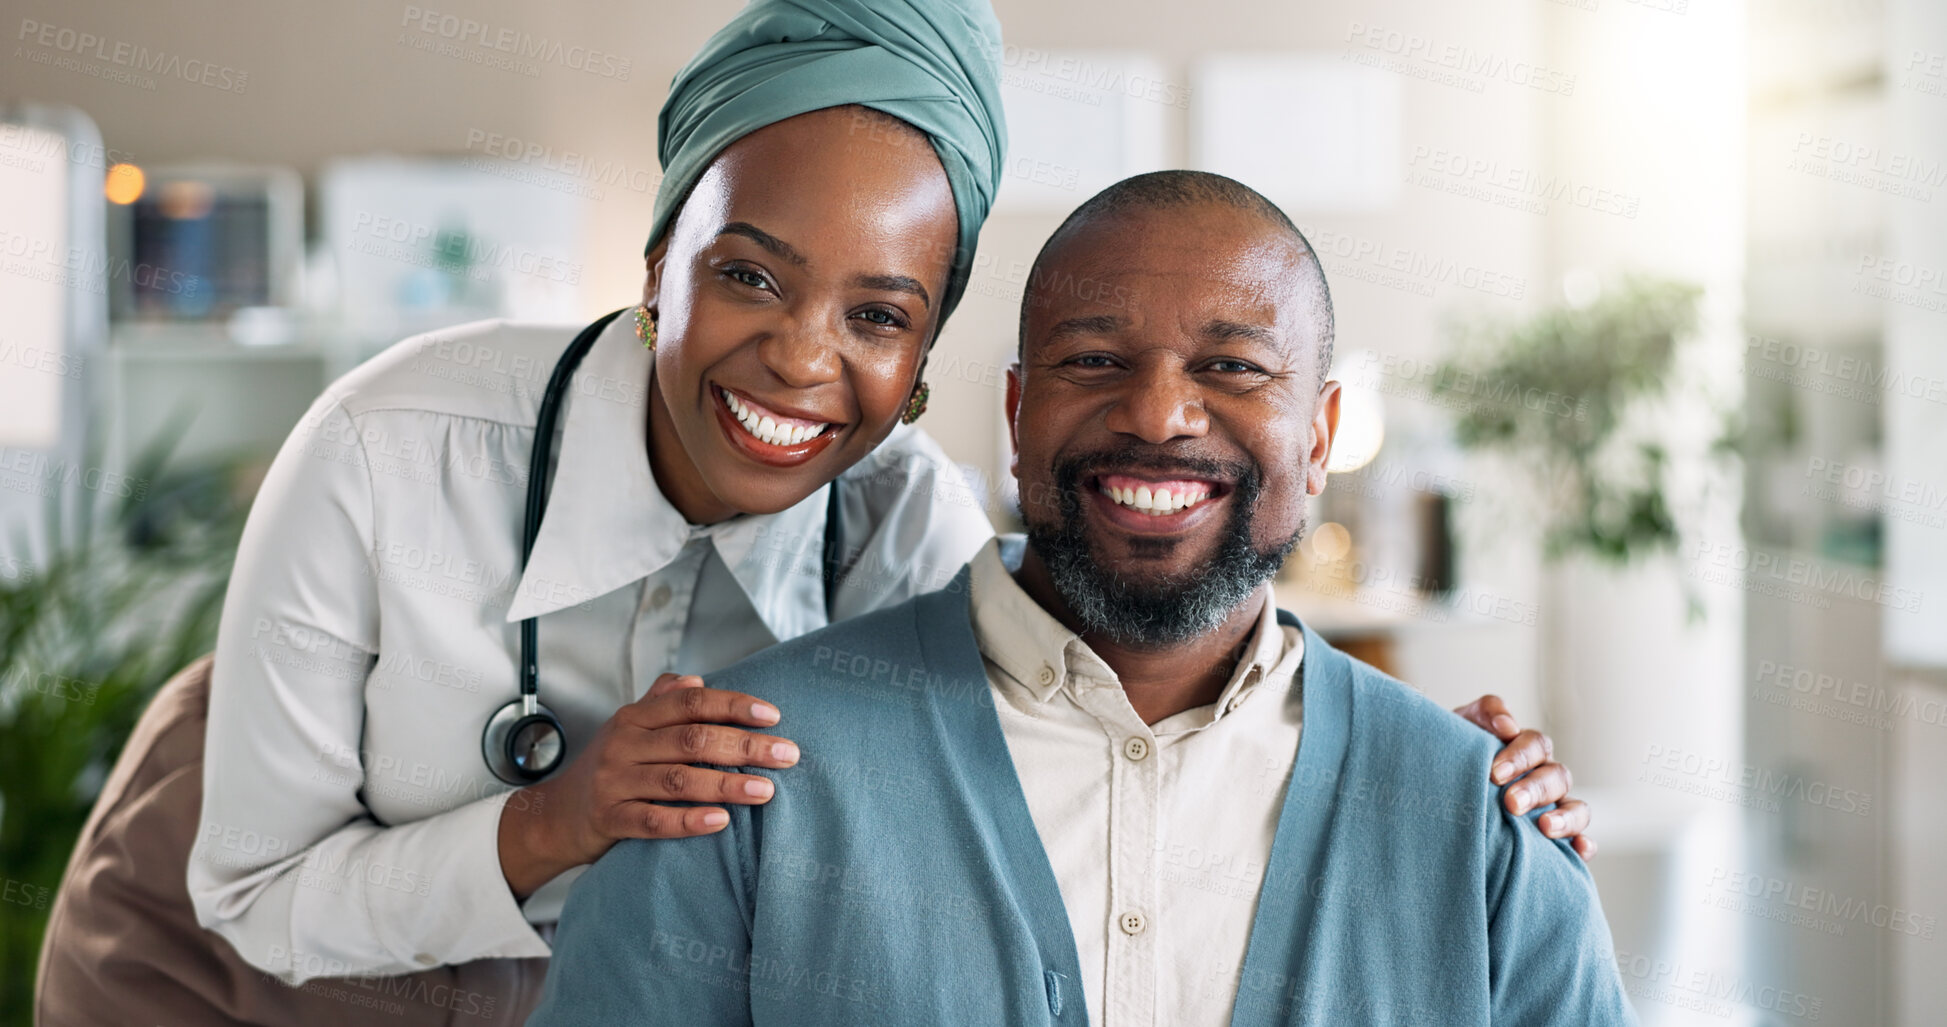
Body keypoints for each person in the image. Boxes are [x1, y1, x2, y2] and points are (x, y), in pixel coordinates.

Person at [36, 3, 1586, 1025]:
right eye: (749, 273)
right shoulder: (390, 448)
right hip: (253, 945)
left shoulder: (907, 535)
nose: (797, 355)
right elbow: (254, 894)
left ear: (925, 359)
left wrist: (1440, 782)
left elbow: (1091, 667)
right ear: (656, 260)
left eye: (876, 311)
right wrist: (561, 815)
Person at [527, 172, 1633, 1026]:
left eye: (1234, 368)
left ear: (1323, 435)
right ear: (1017, 415)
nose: (1158, 415)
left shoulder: (1479, 831)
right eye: (1095, 360)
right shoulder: (738, 779)